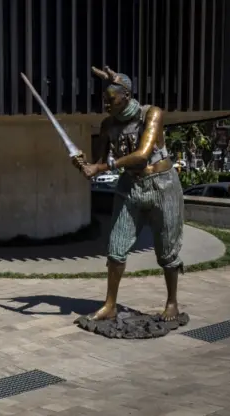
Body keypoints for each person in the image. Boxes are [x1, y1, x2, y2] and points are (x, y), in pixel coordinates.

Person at [73, 65, 184, 322]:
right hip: (130, 187)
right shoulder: (107, 125)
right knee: (116, 247)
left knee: (167, 250)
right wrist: (84, 165)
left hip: (162, 185)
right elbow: (99, 162)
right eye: (104, 101)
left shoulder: (151, 114)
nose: (106, 105)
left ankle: (172, 303)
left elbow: (143, 154)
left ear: (125, 95)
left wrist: (102, 166)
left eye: (110, 100)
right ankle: (110, 305)